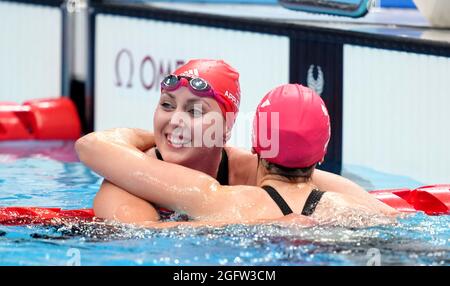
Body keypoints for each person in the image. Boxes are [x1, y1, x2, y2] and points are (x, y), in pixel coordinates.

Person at [76, 83, 398, 227]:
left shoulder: (220, 199)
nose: (177, 121)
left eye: (195, 111)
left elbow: (143, 237)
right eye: (168, 105)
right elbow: (397, 218)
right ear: (324, 153)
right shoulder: (347, 204)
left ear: (257, 143)